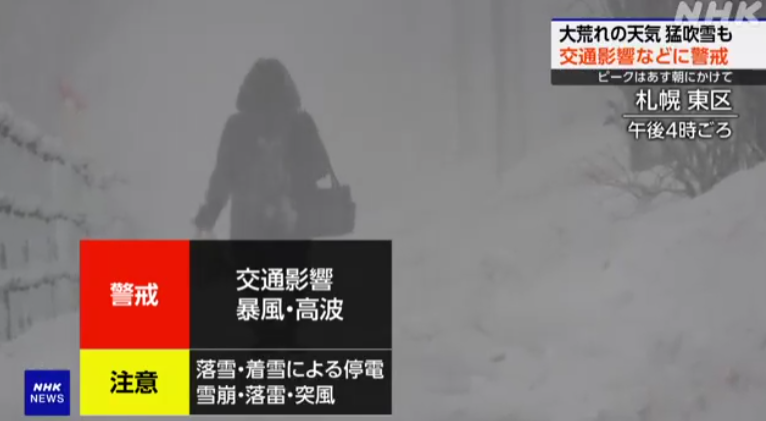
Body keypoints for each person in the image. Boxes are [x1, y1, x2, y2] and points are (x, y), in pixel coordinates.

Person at [193, 58, 332, 240]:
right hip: (293, 226)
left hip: (247, 229)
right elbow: (320, 168)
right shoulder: (301, 124)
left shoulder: (236, 127)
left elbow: (223, 176)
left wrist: (210, 212)